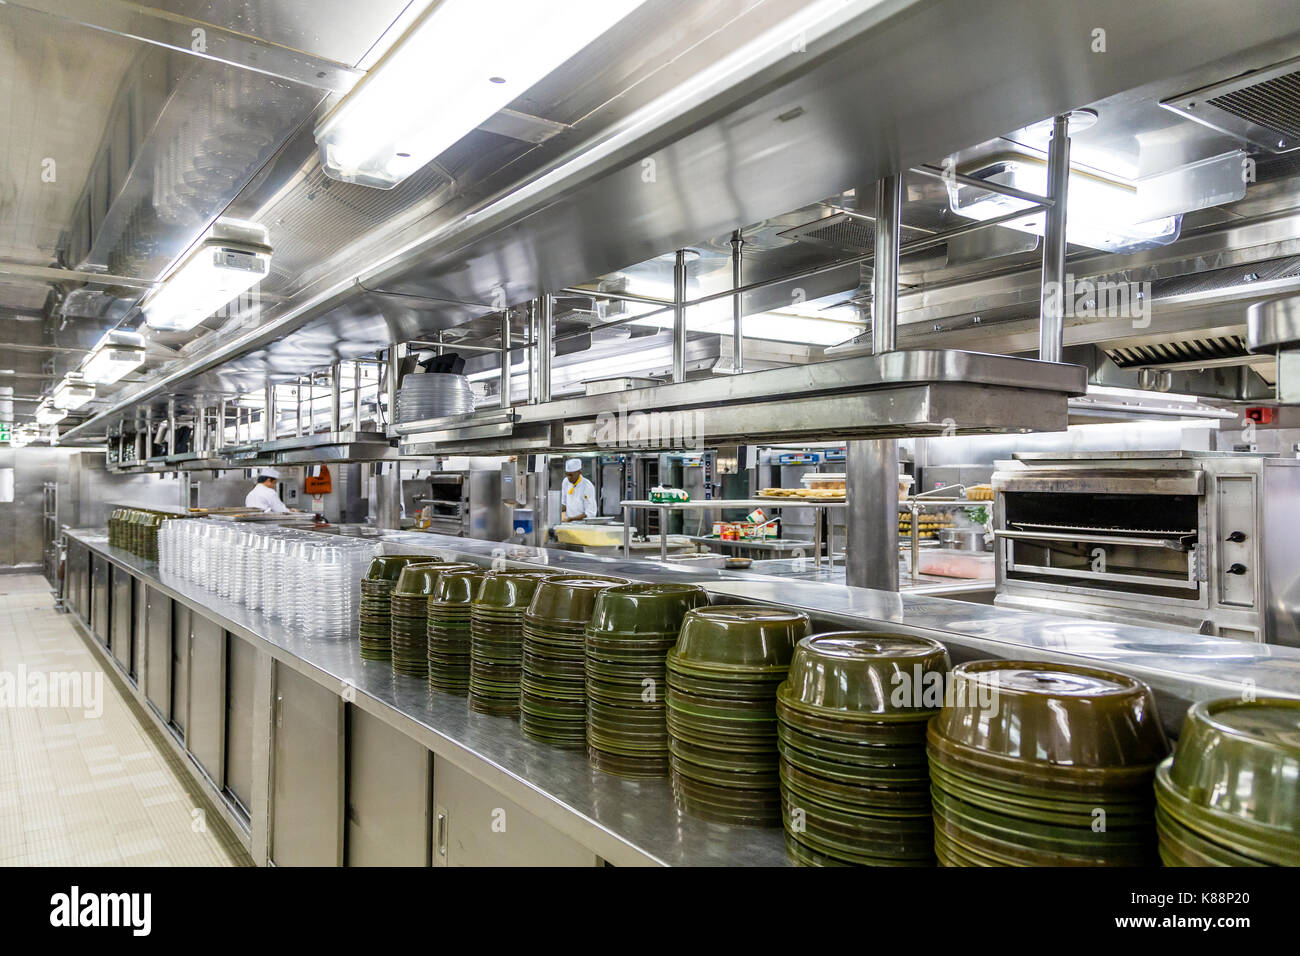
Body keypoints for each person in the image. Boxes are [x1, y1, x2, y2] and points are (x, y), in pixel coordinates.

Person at [560, 458, 598, 522]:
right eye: (567, 474)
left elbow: (590, 513)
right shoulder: (565, 482)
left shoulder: (587, 486)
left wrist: (571, 519)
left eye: (571, 475)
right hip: (568, 524)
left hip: (583, 525)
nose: (568, 478)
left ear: (579, 472)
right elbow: (564, 504)